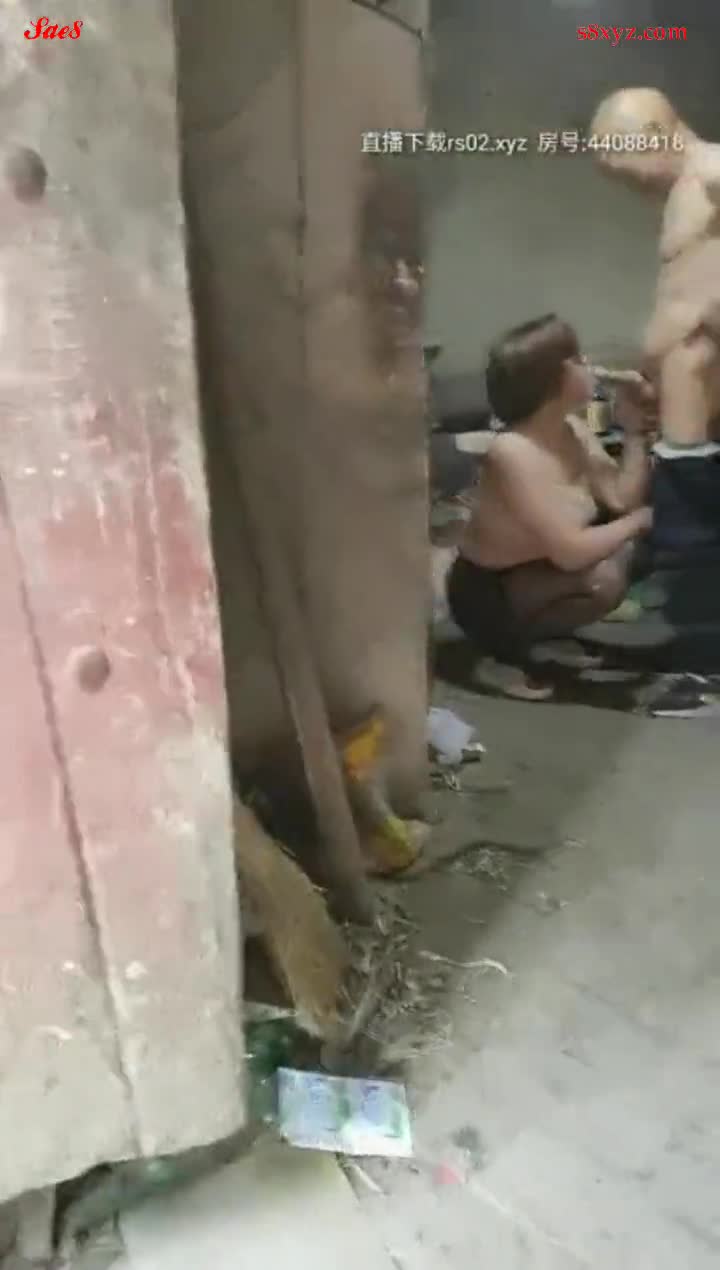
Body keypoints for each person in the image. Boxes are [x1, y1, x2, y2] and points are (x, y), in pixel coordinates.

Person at [447, 314, 654, 699]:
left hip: (539, 573)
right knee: (605, 574)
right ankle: (498, 654)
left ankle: (541, 638)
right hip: (487, 593)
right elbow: (571, 552)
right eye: (576, 359)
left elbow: (621, 499)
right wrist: (642, 520)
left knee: (622, 559)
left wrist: (634, 429)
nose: (589, 365)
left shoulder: (573, 429)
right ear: (550, 378)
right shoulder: (513, 452)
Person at [590, 88, 720, 557]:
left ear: (653, 134)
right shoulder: (685, 189)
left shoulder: (711, 171)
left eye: (626, 168)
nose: (627, 184)